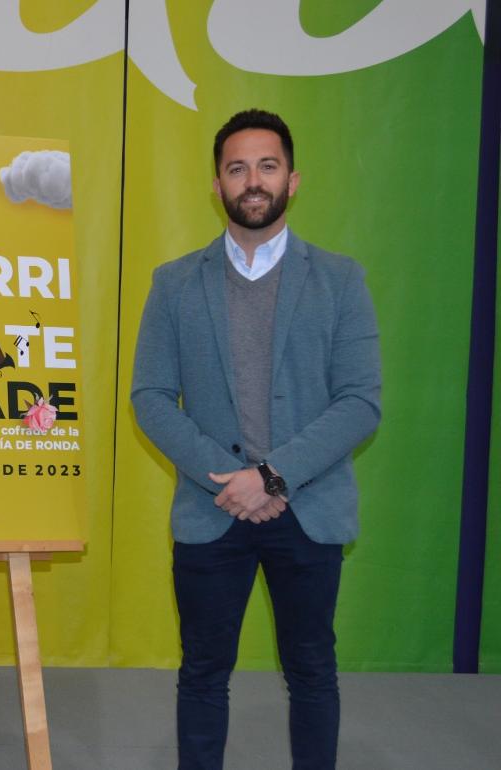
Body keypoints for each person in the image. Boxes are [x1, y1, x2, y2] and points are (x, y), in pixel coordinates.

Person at [131, 109, 381, 770]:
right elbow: (150, 399)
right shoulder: (174, 283)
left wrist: (273, 478)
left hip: (309, 510)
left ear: (292, 180)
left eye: (267, 165)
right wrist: (231, 479)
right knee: (204, 674)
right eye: (237, 167)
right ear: (216, 184)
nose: (253, 180)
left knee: (311, 671)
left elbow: (361, 402)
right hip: (212, 511)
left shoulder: (341, 280)